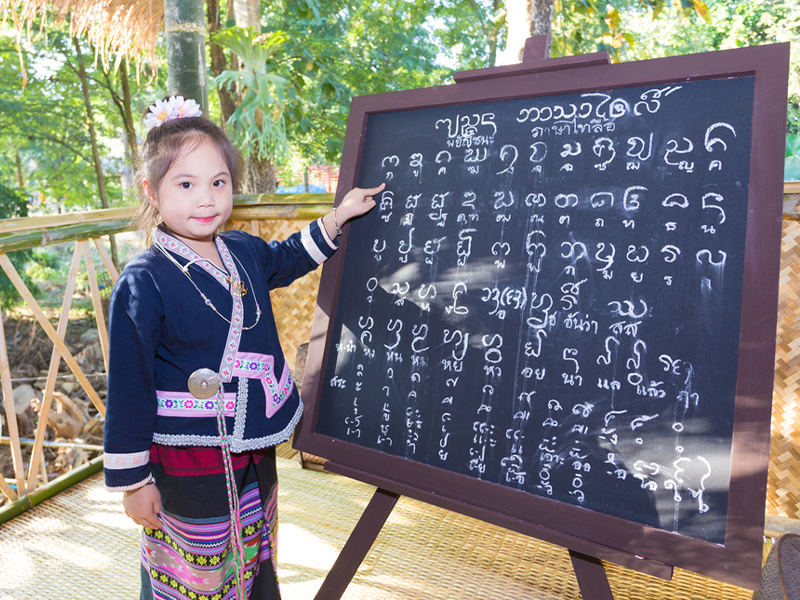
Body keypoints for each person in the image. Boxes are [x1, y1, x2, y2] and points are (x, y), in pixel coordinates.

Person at [103, 95, 384, 600]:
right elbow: (128, 387)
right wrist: (134, 481)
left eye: (219, 182)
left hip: (253, 440)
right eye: (185, 185)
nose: (206, 199)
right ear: (151, 191)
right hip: (185, 453)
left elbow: (291, 256)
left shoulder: (245, 251)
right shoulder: (142, 281)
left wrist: (339, 217)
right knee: (199, 559)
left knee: (253, 544)